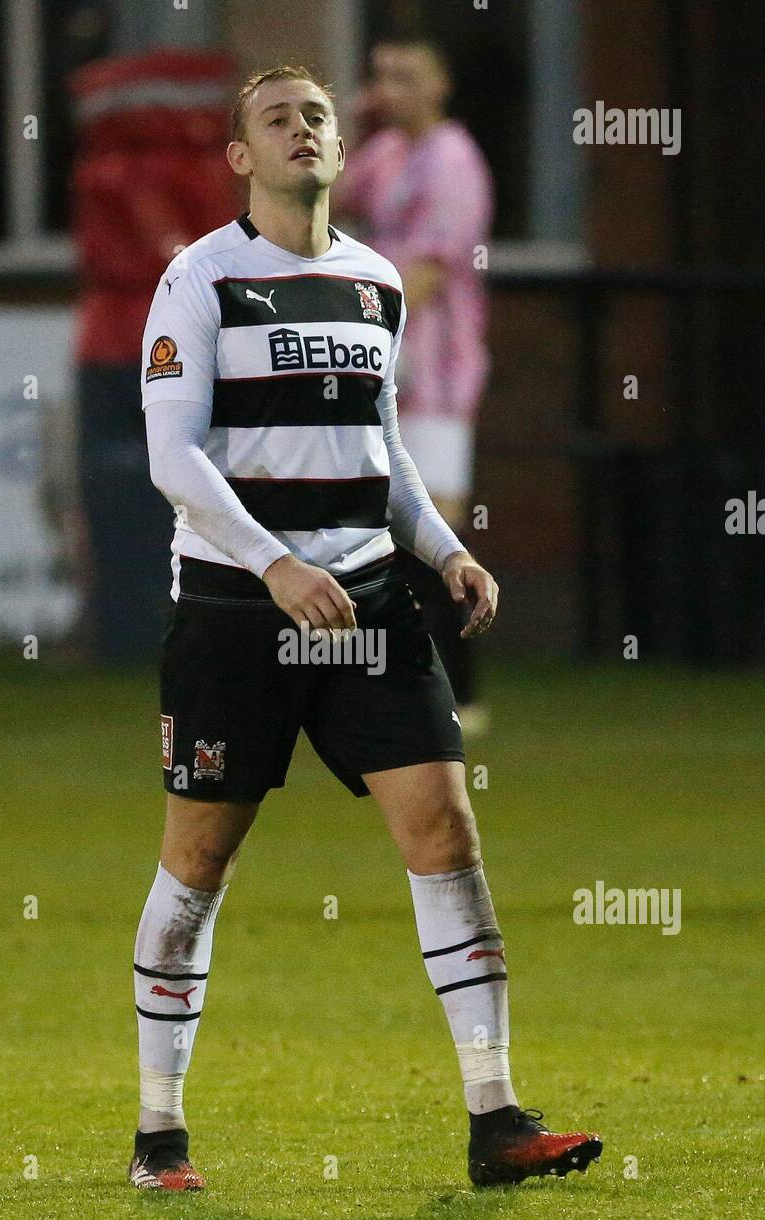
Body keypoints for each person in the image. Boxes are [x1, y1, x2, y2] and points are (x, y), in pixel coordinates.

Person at [129, 65, 602, 1192]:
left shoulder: (375, 284)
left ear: (340, 148)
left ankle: (496, 1119)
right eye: (276, 119)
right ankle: (159, 1138)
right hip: (239, 610)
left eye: (317, 116)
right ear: (241, 157)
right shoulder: (200, 280)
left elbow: (384, 457)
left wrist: (444, 551)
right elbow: (172, 454)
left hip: (369, 604)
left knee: (444, 832)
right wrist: (273, 561)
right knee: (197, 861)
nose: (303, 130)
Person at [335, 38, 494, 732]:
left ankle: (464, 691)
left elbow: (428, 274)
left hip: (434, 370)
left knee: (438, 526)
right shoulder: (388, 153)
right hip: (389, 367)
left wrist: (366, 335)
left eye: (407, 75)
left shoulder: (453, 161)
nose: (391, 87)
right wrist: (347, 119)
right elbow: (324, 197)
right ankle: (408, 679)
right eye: (383, 75)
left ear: (441, 85)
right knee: (385, 522)